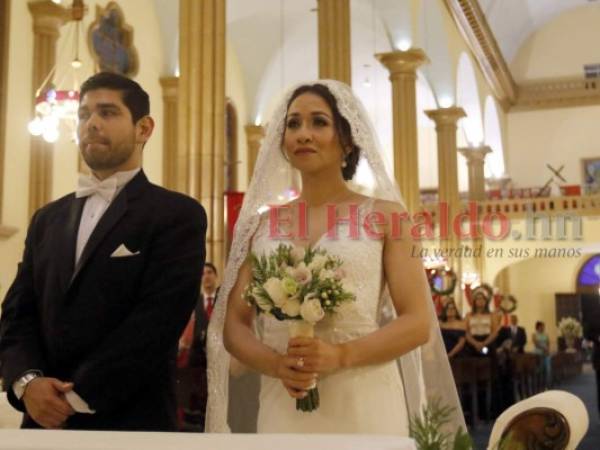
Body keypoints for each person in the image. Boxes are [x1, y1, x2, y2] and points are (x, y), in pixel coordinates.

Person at [205, 80, 465, 435]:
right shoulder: (260, 226)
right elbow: (234, 323)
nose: (303, 134)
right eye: (293, 124)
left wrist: (342, 355)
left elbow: (418, 321)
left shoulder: (388, 217)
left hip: (363, 394)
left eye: (318, 122)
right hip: (284, 398)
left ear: (347, 139)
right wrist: (278, 364)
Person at [0, 72, 206, 431]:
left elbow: (156, 322)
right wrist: (28, 382)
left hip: (130, 420)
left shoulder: (177, 215)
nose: (91, 123)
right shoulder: (48, 218)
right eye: (84, 115)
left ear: (144, 129)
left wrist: (74, 398)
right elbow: (19, 312)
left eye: (108, 113)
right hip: (40, 422)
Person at [177, 262, 220, 431]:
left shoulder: (222, 301)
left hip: (218, 361)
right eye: (203, 273)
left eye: (210, 272)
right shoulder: (194, 302)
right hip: (197, 364)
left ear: (216, 276)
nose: (206, 276)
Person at [466, 292, 500, 357]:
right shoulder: (469, 315)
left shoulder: (492, 315)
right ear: (474, 301)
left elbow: (495, 332)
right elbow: (466, 332)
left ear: (486, 302)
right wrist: (475, 343)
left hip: (488, 340)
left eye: (483, 299)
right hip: (473, 341)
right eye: (478, 299)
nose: (480, 301)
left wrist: (484, 343)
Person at [533, 321, 552, 389]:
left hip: (546, 353)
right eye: (542, 326)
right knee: (540, 370)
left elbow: (548, 343)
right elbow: (536, 343)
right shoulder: (534, 334)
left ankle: (547, 385)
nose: (543, 327)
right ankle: (539, 386)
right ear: (538, 327)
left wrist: (547, 350)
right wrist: (543, 349)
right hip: (538, 354)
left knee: (548, 369)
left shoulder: (546, 334)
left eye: (543, 326)